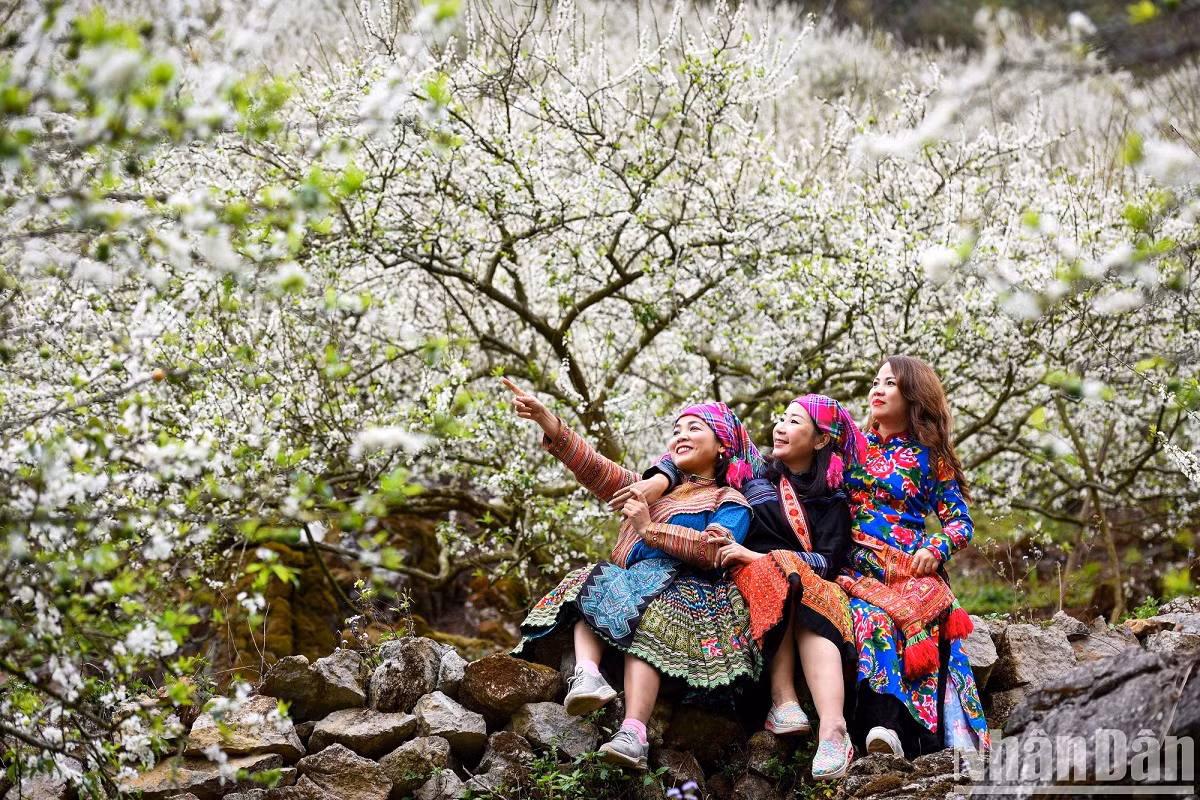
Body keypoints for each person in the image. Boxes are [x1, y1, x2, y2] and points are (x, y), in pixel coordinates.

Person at [504, 378, 762, 771]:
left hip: (690, 592)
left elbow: (715, 551)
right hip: (634, 580)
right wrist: (547, 421)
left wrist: (649, 529)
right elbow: (595, 469)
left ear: (722, 446)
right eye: (676, 430)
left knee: (655, 615)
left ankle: (634, 733)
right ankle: (586, 676)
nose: (681, 436)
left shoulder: (731, 500)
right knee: (592, 579)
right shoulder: (650, 490)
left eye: (695, 428)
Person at [620, 394, 864, 780]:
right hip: (749, 577)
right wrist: (659, 478)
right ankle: (783, 701)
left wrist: (760, 557)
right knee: (775, 581)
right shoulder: (756, 474)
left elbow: (829, 561)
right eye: (780, 418)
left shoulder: (833, 498)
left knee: (805, 595)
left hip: (803, 578)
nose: (780, 427)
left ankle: (834, 731)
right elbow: (712, 435)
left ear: (820, 440)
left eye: (794, 422)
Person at [838, 356, 988, 758]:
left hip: (909, 570)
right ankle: (878, 727)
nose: (877, 389)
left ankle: (909, 734)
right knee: (873, 619)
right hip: (852, 570)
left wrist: (933, 549)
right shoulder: (848, 446)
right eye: (875, 381)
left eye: (890, 383)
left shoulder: (931, 456)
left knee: (908, 616)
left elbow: (960, 523)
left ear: (913, 395)